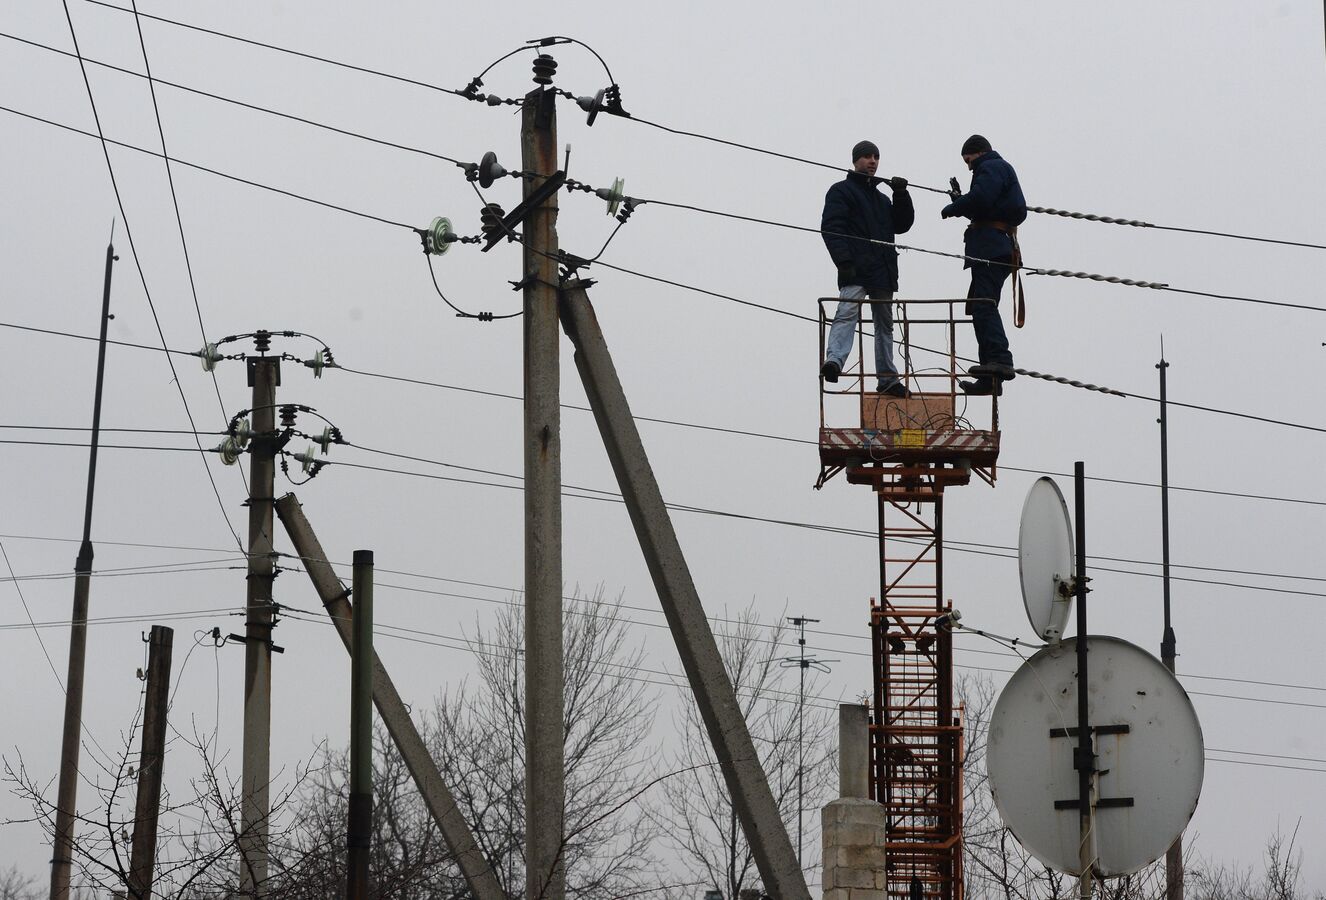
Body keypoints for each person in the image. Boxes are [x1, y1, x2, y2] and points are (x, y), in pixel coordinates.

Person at [821, 139, 914, 397]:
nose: (873, 161)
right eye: (867, 156)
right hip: (856, 268)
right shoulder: (841, 191)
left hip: (882, 270)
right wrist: (844, 263)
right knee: (847, 312)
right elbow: (832, 228)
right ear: (855, 161)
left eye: (876, 157)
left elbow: (902, 225)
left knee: (885, 324)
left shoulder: (882, 199)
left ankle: (887, 378)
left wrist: (901, 195)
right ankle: (834, 361)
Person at [941, 134, 1027, 396]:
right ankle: (990, 377)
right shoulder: (996, 169)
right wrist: (961, 201)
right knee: (981, 307)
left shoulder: (991, 166)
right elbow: (985, 206)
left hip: (991, 249)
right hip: (995, 248)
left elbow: (981, 198)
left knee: (984, 306)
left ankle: (1000, 360)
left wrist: (954, 207)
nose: (969, 167)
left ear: (978, 153)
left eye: (968, 161)